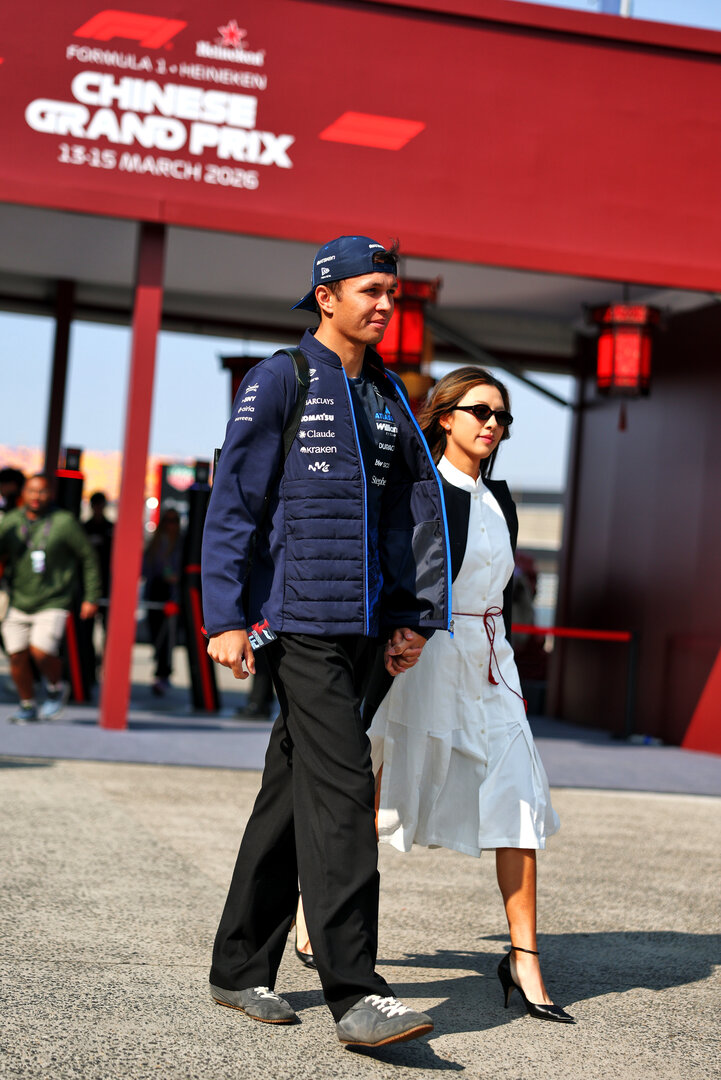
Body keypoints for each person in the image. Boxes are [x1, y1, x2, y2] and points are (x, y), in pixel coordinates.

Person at [201, 235, 451, 1048]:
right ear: (326, 296)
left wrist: (416, 613)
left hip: (367, 626)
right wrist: (225, 617)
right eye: (371, 290)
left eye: (392, 292)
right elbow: (233, 500)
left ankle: (239, 967)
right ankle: (355, 991)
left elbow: (416, 507)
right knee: (344, 793)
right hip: (298, 621)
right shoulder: (282, 377)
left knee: (290, 790)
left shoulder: (385, 394)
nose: (384, 304)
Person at [368, 367, 574, 1024]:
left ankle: (522, 958)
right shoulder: (420, 490)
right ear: (445, 415)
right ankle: (319, 915)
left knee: (519, 800)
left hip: (492, 659)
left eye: (502, 416)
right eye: (479, 411)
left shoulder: (499, 499)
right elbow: (396, 573)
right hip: (427, 655)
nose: (492, 424)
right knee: (381, 794)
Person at [0, 474, 100, 723]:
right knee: (16, 655)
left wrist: (91, 596)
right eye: (32, 491)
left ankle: (55, 687)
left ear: (51, 494)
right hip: (18, 599)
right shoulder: (11, 521)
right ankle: (27, 704)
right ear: (24, 493)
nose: (37, 497)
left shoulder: (63, 522)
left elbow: (88, 558)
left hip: (53, 600)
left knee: (41, 651)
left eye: (42, 492)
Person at [142, 508, 182, 696]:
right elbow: (145, 568)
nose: (170, 525)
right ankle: (160, 669)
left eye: (174, 521)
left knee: (167, 636)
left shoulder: (181, 545)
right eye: (167, 520)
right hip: (154, 592)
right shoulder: (155, 543)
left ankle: (163, 674)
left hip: (171, 594)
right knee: (155, 634)